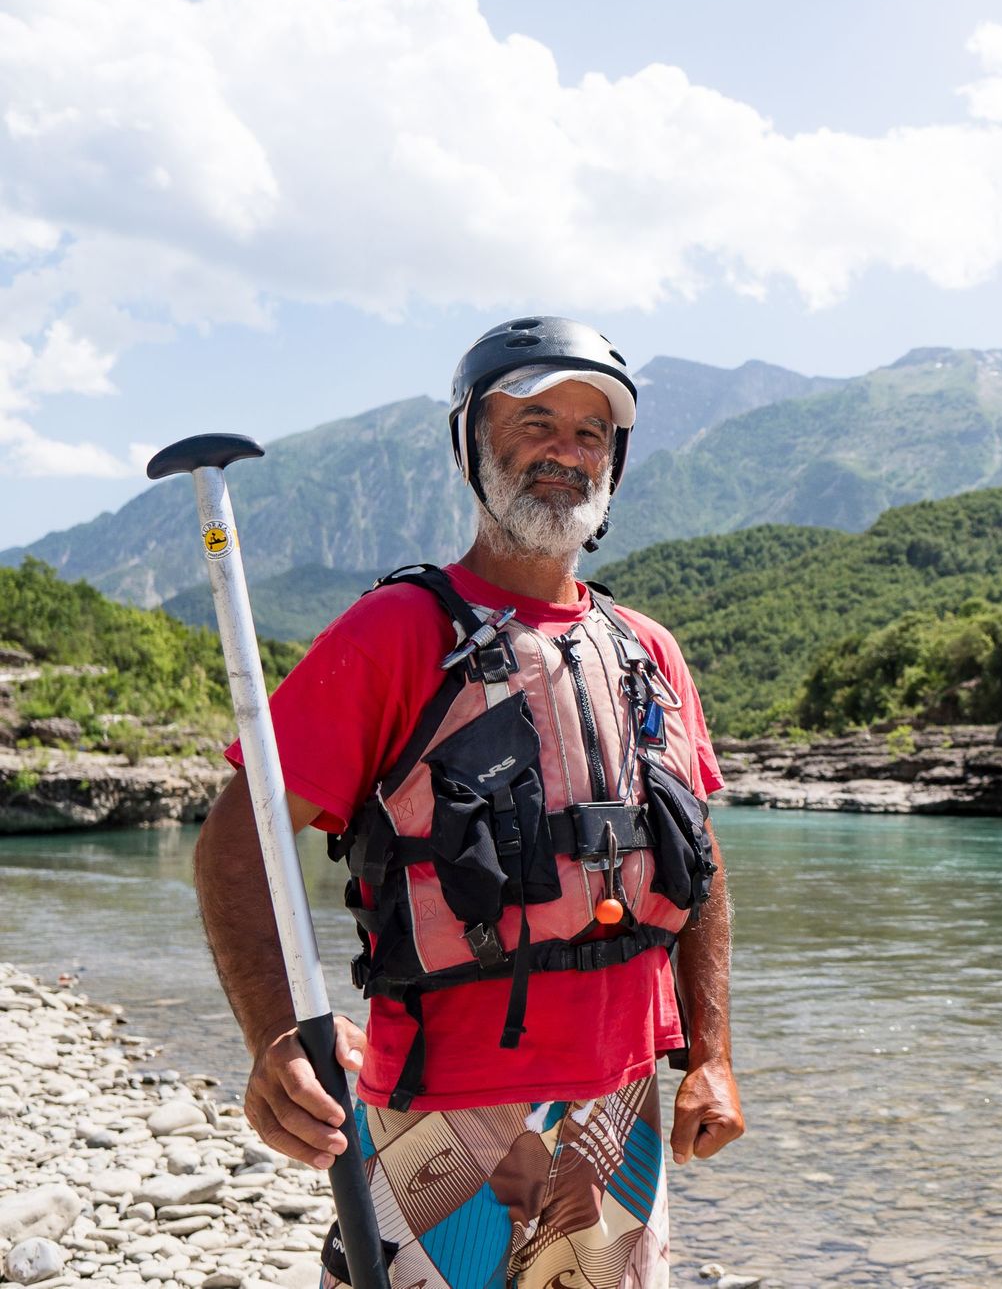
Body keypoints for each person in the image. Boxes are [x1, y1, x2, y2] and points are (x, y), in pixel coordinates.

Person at [194, 316, 744, 1289]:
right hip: (439, 1111)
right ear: (468, 446)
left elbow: (699, 864)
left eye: (589, 432)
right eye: (533, 422)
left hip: (619, 1111)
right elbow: (238, 849)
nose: (564, 451)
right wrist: (276, 1031)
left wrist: (711, 1054)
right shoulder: (393, 635)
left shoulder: (647, 652)